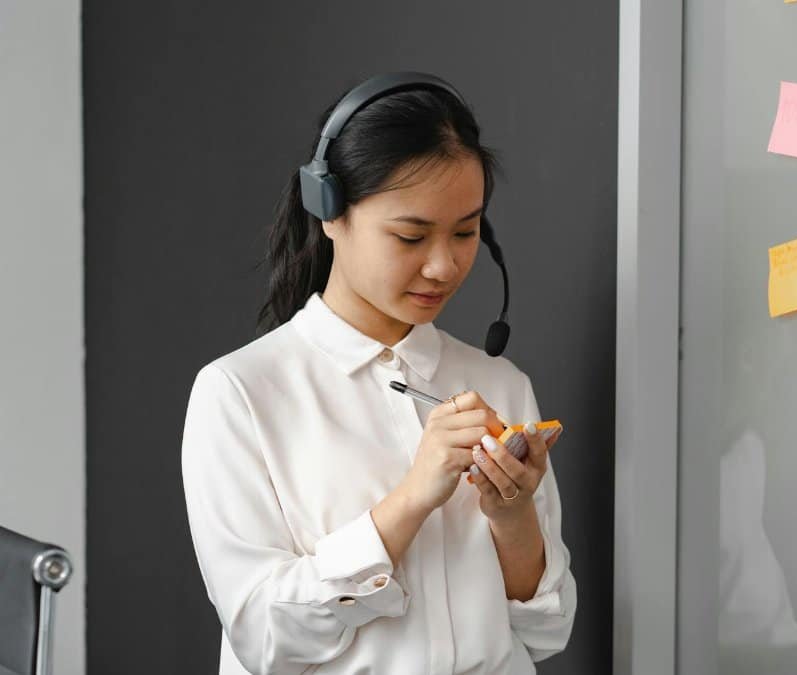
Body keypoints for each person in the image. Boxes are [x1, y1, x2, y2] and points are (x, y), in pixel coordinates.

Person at [180, 74, 576, 675]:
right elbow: (264, 638)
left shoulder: (500, 383)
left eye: (466, 232)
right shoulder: (240, 394)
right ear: (329, 212)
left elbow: (546, 629)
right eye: (411, 235)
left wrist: (510, 512)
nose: (443, 265)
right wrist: (414, 497)